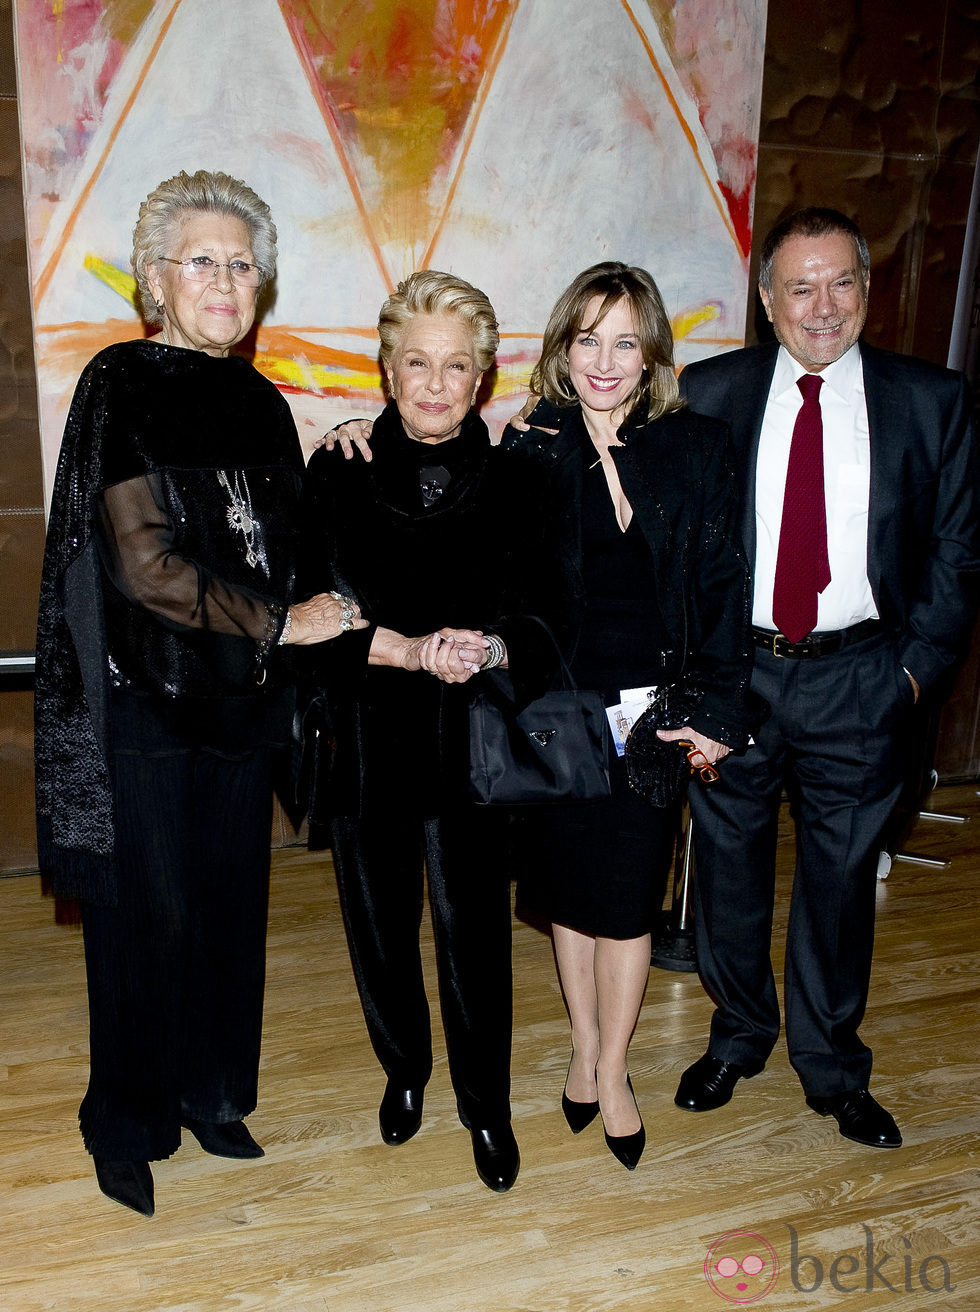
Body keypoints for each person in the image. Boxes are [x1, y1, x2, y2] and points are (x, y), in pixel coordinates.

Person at [33, 169, 363, 1217]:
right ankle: (124, 1121)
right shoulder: (121, 382)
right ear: (155, 280)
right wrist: (278, 622)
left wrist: (343, 459)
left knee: (229, 910)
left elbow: (280, 543)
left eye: (242, 262)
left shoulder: (261, 402)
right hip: (145, 707)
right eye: (203, 260)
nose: (226, 279)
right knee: (145, 920)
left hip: (240, 708)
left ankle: (215, 1095)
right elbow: (144, 564)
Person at [673, 207, 980, 1148]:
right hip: (740, 678)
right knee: (727, 869)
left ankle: (832, 1064)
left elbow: (960, 553)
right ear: (767, 302)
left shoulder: (930, 400)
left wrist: (913, 676)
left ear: (868, 290)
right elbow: (662, 525)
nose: (821, 305)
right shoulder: (708, 392)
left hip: (862, 678)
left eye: (840, 281)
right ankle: (738, 1035)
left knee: (841, 882)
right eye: (798, 287)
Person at [299, 270, 561, 1193]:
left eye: (457, 365)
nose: (437, 383)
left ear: (485, 375)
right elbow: (312, 622)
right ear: (388, 366)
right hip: (369, 740)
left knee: (477, 936)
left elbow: (545, 624)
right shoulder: (337, 472)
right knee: (378, 926)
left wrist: (489, 646)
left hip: (477, 754)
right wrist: (406, 653)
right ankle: (405, 1069)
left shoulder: (522, 478)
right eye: (418, 362)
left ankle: (484, 1104)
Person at [502, 262, 755, 1169]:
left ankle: (613, 1071)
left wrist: (719, 705)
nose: (604, 361)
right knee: (571, 894)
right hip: (561, 712)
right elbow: (493, 574)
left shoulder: (698, 448)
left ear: (651, 353)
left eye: (624, 341)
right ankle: (582, 1045)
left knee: (629, 902)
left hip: (655, 712)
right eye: (587, 338)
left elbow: (725, 586)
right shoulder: (531, 446)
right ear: (563, 347)